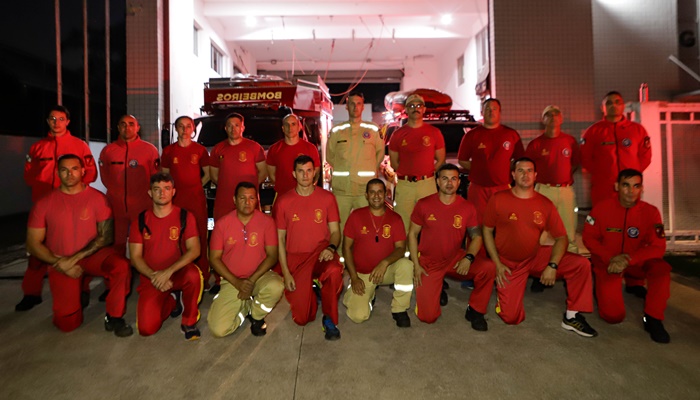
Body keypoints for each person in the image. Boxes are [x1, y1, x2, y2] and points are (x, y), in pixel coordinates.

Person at [482, 157, 597, 337]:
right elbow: (487, 231)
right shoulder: (498, 199)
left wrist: (552, 265)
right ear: (513, 174)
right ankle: (503, 296)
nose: (525, 175)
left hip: (535, 256)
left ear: (536, 176)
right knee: (511, 317)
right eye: (520, 170)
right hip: (508, 263)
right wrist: (497, 263)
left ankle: (572, 316)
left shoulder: (544, 204)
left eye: (529, 171)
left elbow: (561, 238)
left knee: (581, 264)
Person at [26, 154, 133, 336]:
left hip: (91, 256)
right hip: (60, 260)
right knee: (67, 324)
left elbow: (105, 237)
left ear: (83, 171)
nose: (70, 174)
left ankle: (114, 317)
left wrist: (73, 260)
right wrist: (60, 263)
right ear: (57, 172)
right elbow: (32, 244)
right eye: (64, 170)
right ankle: (78, 292)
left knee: (121, 266)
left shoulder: (98, 199)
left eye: (74, 169)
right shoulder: (44, 203)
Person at [17, 105, 98, 312]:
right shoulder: (37, 148)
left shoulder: (79, 146)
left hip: (72, 207)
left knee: (77, 250)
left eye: (61, 119)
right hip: (44, 208)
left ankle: (82, 289)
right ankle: (31, 293)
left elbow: (90, 174)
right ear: (48, 121)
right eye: (52, 118)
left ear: (68, 122)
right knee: (36, 252)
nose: (56, 123)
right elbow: (29, 176)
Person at [582, 169, 671, 343]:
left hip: (635, 262)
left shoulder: (651, 212)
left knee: (662, 269)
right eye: (626, 185)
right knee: (613, 317)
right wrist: (610, 257)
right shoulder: (601, 208)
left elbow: (658, 247)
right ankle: (599, 282)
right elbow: (589, 237)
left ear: (642, 189)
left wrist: (628, 259)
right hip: (609, 263)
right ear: (617, 186)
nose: (631, 191)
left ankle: (652, 319)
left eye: (636, 186)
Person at [408, 164, 496, 329]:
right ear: (437, 182)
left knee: (489, 268)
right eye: (445, 178)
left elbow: (476, 236)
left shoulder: (467, 207)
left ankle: (475, 310)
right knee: (428, 317)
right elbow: (412, 234)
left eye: (453, 179)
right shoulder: (424, 204)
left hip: (455, 258)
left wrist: (469, 258)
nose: (449, 183)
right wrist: (416, 264)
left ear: (458, 183)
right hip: (429, 262)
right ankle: (437, 287)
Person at [273, 155, 344, 340]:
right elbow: (279, 240)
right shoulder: (283, 202)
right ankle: (311, 291)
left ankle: (329, 319)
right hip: (296, 259)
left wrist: (331, 248)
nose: (305, 175)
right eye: (300, 171)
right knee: (302, 319)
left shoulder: (327, 198)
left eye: (309, 171)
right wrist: (286, 273)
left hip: (322, 254)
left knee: (335, 271)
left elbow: (336, 232)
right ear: (293, 174)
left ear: (315, 173)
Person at [129, 172, 203, 340]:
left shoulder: (185, 216)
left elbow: (195, 250)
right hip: (152, 277)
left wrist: (168, 272)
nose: (162, 193)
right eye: (157, 189)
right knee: (146, 329)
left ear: (173, 191)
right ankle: (172, 300)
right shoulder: (140, 220)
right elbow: (135, 257)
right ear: (150, 193)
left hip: (177, 273)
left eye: (166, 188)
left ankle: (189, 322)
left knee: (193, 275)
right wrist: (155, 276)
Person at [208, 182, 283, 338]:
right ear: (234, 199)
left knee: (276, 286)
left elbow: (272, 255)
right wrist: (237, 283)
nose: (247, 202)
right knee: (219, 330)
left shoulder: (267, 222)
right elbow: (214, 259)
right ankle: (245, 308)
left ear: (257, 200)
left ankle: (256, 316)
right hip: (232, 280)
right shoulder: (222, 224)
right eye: (242, 198)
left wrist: (250, 280)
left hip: (259, 277)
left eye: (251, 198)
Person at [342, 179, 414, 327]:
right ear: (366, 195)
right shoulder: (356, 216)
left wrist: (384, 262)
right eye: (372, 192)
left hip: (386, 270)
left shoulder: (395, 219)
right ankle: (366, 296)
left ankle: (399, 309)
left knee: (406, 265)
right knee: (358, 316)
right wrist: (354, 277)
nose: (376, 196)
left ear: (386, 194)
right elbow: (346, 248)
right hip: (363, 274)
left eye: (380, 191)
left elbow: (401, 248)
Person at [161, 115, 212, 288]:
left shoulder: (200, 150)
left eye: (188, 126)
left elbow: (208, 174)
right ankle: (177, 275)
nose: (184, 130)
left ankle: (203, 274)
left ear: (193, 129)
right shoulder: (168, 151)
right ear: (176, 129)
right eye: (181, 126)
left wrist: (196, 185)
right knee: (176, 238)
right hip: (175, 201)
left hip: (196, 200)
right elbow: (165, 177)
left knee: (199, 236)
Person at [99, 115, 160, 254]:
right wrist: (117, 194)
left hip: (142, 206)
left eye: (131, 124)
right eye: (123, 124)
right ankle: (120, 274)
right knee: (116, 245)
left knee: (144, 244)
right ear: (118, 128)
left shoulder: (150, 150)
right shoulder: (108, 151)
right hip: (116, 206)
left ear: (138, 127)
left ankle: (145, 274)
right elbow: (105, 178)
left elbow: (155, 178)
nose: (127, 127)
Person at [326, 91, 384, 237]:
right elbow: (330, 157)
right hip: (342, 190)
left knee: (367, 227)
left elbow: (380, 154)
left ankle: (366, 257)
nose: (355, 107)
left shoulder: (372, 129)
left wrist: (369, 168)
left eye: (358, 104)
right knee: (338, 228)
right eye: (352, 103)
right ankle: (340, 258)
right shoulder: (337, 131)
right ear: (347, 106)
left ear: (363, 107)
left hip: (364, 190)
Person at [525, 105, 581, 255]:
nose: (553, 117)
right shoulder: (535, 144)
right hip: (543, 190)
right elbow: (527, 168)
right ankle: (534, 261)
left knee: (568, 229)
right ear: (543, 120)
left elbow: (575, 164)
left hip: (565, 191)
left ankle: (572, 260)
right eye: (548, 115)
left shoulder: (570, 141)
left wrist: (562, 178)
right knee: (538, 229)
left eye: (556, 114)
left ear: (561, 119)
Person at [458, 98, 524, 221]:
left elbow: (520, 161)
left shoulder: (511, 134)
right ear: (482, 112)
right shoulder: (472, 135)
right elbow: (462, 160)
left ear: (500, 112)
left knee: (504, 223)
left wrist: (502, 167)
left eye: (494, 109)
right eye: (487, 109)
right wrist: (480, 168)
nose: (491, 112)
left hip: (502, 188)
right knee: (477, 225)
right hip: (478, 189)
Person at [581, 91, 651, 207]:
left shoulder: (637, 130)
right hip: (603, 187)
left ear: (623, 106)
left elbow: (645, 156)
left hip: (630, 187)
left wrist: (632, 174)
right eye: (609, 103)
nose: (613, 105)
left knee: (630, 219)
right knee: (604, 219)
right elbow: (585, 158)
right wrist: (602, 174)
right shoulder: (593, 131)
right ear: (602, 108)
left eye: (617, 102)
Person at [388, 93, 446, 232]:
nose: (416, 108)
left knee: (430, 224)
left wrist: (428, 173)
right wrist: (407, 174)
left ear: (424, 109)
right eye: (411, 106)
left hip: (427, 185)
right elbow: (394, 163)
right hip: (405, 185)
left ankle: (427, 253)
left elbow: (441, 159)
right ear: (406, 110)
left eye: (419, 105)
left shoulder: (434, 132)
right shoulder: (398, 134)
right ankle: (406, 253)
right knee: (403, 224)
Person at [210, 112, 267, 221]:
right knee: (224, 232)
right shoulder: (217, 149)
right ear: (225, 128)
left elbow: (263, 173)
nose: (233, 129)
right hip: (225, 202)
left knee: (252, 232)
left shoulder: (254, 147)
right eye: (230, 125)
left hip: (248, 201)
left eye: (237, 125)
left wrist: (248, 188)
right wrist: (228, 185)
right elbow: (214, 176)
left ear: (242, 128)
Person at [266, 114, 320, 198]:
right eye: (287, 124)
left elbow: (316, 172)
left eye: (293, 124)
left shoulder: (310, 148)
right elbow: (272, 175)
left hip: (305, 196)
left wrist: (306, 190)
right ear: (283, 128)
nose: (290, 127)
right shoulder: (274, 149)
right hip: (282, 196)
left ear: (299, 127)